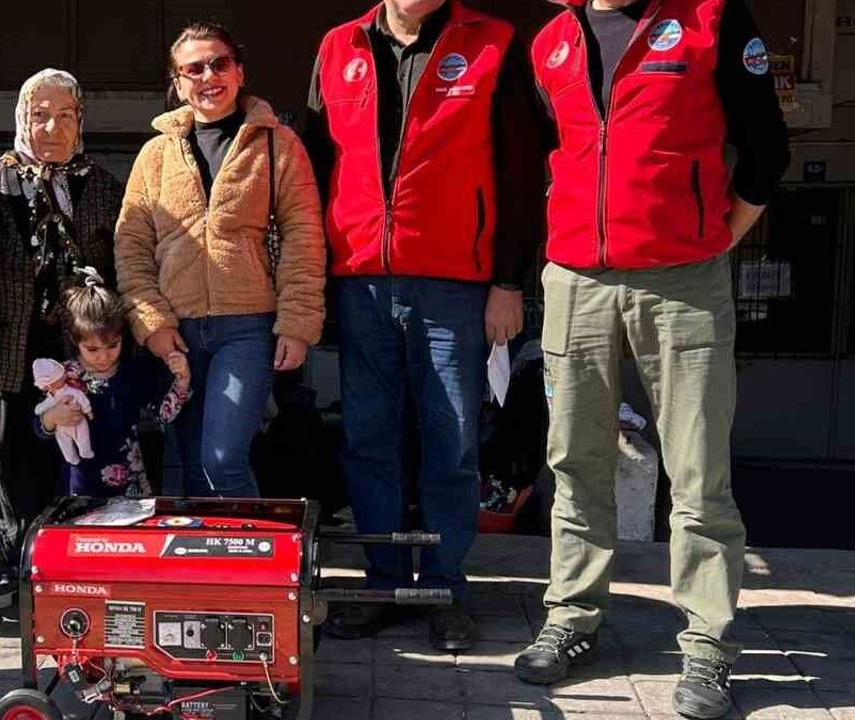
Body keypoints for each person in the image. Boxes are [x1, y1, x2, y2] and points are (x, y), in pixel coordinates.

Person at [514, 2, 790, 717]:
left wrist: (715, 239)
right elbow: (548, 155)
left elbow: (766, 149)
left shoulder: (710, 19)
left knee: (698, 473)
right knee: (575, 462)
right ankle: (572, 618)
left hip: (683, 282)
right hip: (576, 279)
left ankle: (708, 644)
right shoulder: (552, 41)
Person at [301, 0, 546, 646]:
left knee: (451, 441)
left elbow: (522, 174)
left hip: (454, 284)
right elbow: (314, 172)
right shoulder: (338, 47)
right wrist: (312, 282)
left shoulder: (494, 44)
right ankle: (384, 581)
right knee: (368, 439)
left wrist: (509, 282)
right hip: (359, 280)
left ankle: (443, 587)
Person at [116, 22, 327, 500]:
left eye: (219, 63)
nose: (208, 76)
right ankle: (208, 550)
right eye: (193, 69)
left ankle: (249, 545)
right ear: (177, 82)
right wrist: (151, 322)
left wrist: (297, 323)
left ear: (239, 72)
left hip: (247, 326)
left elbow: (304, 237)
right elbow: (131, 244)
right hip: (178, 330)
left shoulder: (277, 144)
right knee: (190, 461)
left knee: (222, 458)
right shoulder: (154, 155)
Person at [0, 68, 126, 609]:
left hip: (80, 349)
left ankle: (78, 569)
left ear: (80, 120)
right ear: (21, 117)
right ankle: (18, 568)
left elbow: (123, 265)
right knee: (12, 461)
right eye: (39, 115)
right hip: (9, 348)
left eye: (65, 115)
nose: (51, 127)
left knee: (80, 457)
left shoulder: (102, 185)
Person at [34, 270, 191, 497]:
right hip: (80, 484)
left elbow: (163, 415)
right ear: (75, 340)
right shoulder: (61, 376)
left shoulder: (134, 373)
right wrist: (51, 417)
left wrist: (182, 380)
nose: (104, 356)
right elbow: (38, 427)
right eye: (92, 349)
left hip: (131, 485)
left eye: (112, 345)